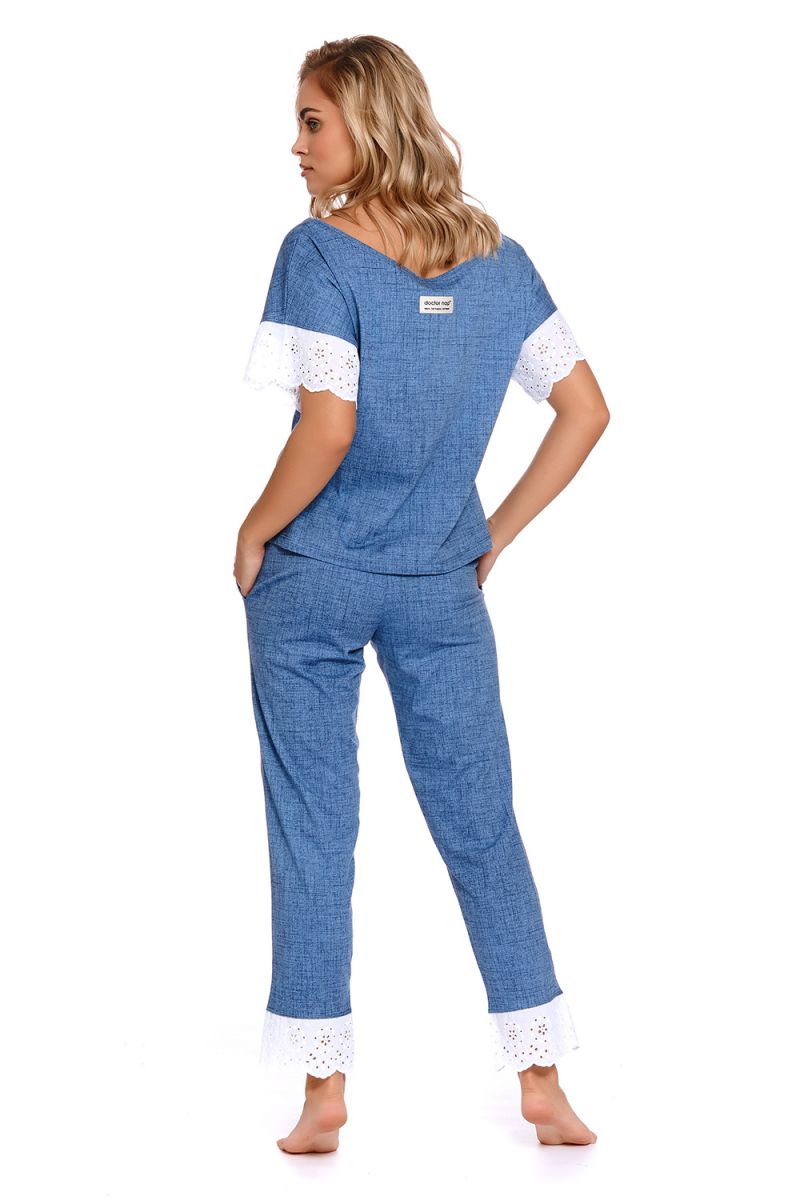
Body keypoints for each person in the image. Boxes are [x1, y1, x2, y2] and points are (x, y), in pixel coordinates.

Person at [235, 35, 608, 1155]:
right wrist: (491, 534)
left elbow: (328, 427)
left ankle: (322, 1098)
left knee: (313, 827)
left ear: (368, 120)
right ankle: (541, 1083)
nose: (296, 145)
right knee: (481, 823)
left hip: (313, 579)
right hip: (441, 587)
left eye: (312, 121)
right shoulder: (499, 259)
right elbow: (586, 411)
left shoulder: (318, 252)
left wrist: (253, 530)